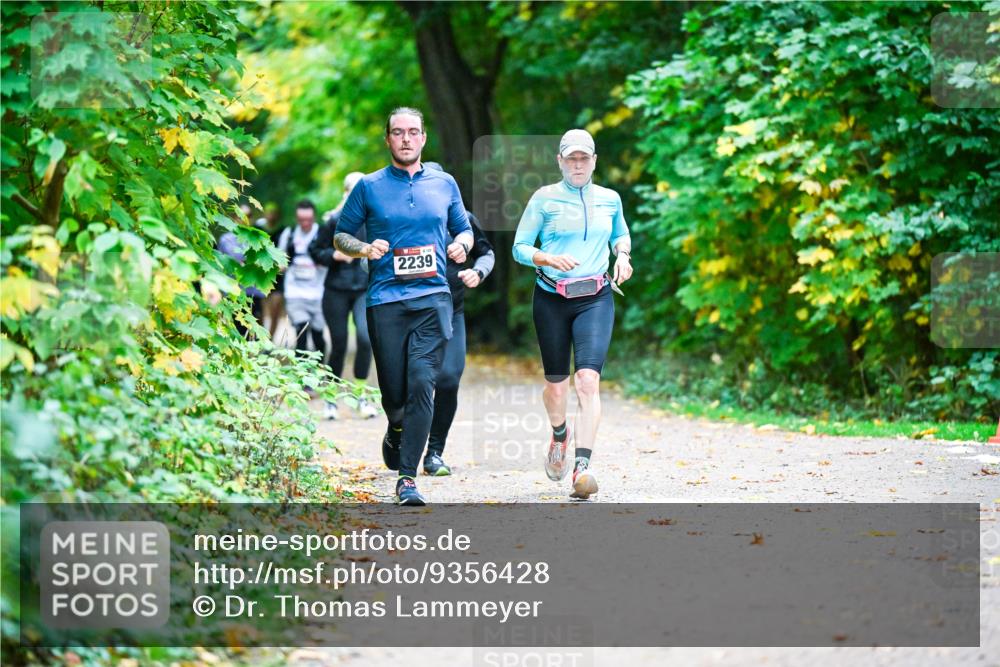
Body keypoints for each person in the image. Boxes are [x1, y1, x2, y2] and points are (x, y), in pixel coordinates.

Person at [334, 107, 474, 506]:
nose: (407, 139)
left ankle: (408, 478)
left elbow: (463, 228)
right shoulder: (369, 187)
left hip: (433, 298)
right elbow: (342, 236)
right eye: (398, 133)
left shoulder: (445, 184)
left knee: (422, 383)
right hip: (385, 299)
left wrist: (462, 244)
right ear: (388, 139)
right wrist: (364, 247)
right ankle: (396, 426)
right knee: (394, 392)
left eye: (413, 132)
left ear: (424, 138)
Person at [511, 128, 633, 500]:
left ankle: (582, 466)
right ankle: (559, 433)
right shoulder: (544, 199)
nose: (578, 164)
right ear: (560, 162)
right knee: (556, 387)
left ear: (594, 161)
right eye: (571, 158)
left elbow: (620, 234)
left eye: (584, 158)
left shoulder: (610, 199)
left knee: (587, 381)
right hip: (551, 298)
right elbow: (519, 247)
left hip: (594, 298)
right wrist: (546, 257)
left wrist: (623, 255)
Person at [420, 162, 495, 476]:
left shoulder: (464, 220)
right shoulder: (406, 219)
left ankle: (434, 452)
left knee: (448, 379)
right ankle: (397, 429)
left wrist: (477, 272)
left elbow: (487, 253)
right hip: (410, 312)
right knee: (412, 384)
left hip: (452, 311)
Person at [309, 172, 378, 420]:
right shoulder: (334, 220)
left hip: (363, 289)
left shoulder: (375, 219)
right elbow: (315, 249)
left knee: (365, 339)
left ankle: (360, 397)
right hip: (336, 290)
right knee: (338, 343)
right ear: (346, 193)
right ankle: (331, 400)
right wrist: (334, 256)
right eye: (354, 190)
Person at [277, 200, 327, 359]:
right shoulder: (289, 233)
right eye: (301, 220)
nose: (305, 223)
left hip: (318, 293)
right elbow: (280, 260)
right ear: (296, 218)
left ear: (314, 217)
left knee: (318, 335)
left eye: (309, 220)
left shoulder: (323, 234)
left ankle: (321, 369)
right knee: (301, 332)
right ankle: (303, 377)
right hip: (295, 293)